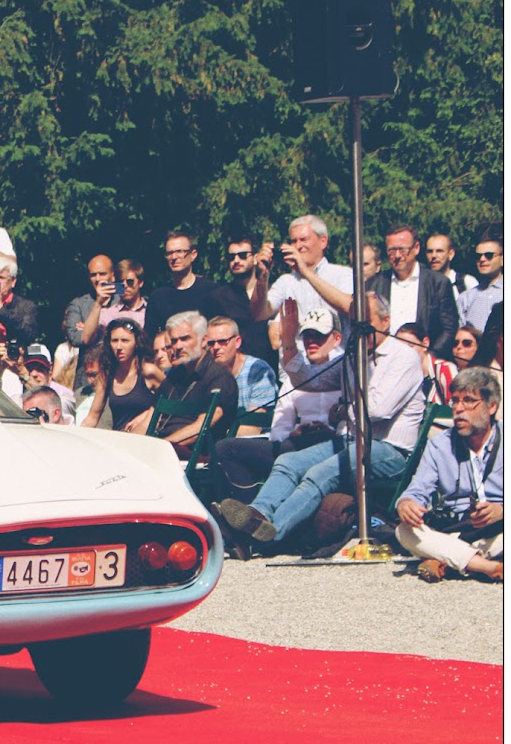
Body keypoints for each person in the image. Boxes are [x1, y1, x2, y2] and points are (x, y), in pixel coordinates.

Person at [215, 291, 425, 549]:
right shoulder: (354, 356)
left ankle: (268, 537)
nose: (359, 328)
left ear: (386, 321)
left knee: (321, 473)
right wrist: (289, 341)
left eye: (366, 321)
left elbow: (377, 411)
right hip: (350, 441)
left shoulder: (403, 356)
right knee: (288, 462)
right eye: (354, 322)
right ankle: (256, 516)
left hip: (390, 450)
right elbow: (306, 380)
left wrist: (343, 410)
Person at [214, 306, 345, 511]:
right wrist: (293, 433)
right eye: (307, 335)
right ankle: (248, 512)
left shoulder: (348, 372)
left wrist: (331, 431)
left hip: (333, 447)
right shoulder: (295, 375)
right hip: (296, 445)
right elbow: (280, 426)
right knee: (225, 448)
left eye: (319, 336)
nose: (312, 341)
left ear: (336, 339)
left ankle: (257, 512)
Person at [395, 367, 502, 582]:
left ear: (491, 407)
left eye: (469, 401)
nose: (458, 409)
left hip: (499, 528)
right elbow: (417, 490)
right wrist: (406, 504)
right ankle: (489, 567)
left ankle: (447, 560)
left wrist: (502, 510)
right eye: (455, 401)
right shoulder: (439, 445)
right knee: (404, 531)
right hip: (456, 527)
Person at [248, 214, 355, 332]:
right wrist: (262, 276)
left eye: (304, 240)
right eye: (293, 241)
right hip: (297, 345)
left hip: (336, 344)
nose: (298, 246)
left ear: (323, 241)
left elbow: (350, 307)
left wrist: (306, 273)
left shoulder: (342, 274)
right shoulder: (286, 281)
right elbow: (259, 314)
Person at [154, 311, 239, 458]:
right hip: (163, 449)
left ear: (204, 340)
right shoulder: (173, 377)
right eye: (174, 341)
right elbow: (150, 417)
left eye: (185, 338)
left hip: (195, 456)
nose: (178, 346)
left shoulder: (220, 378)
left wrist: (162, 446)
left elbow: (202, 426)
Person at [367, 225, 459, 359]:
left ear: (416, 248)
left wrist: (429, 358)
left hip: (425, 361)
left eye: (402, 250)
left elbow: (449, 328)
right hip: (383, 360)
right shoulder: (374, 284)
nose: (397, 256)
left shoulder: (438, 283)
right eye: (392, 250)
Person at [81, 318, 164, 434]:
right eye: (115, 341)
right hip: (119, 437)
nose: (119, 347)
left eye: (125, 341)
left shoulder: (148, 371)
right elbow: (93, 417)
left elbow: (172, 398)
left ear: (136, 343)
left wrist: (145, 415)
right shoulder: (107, 375)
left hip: (146, 439)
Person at [143, 232, 226, 340]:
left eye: (180, 252)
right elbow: (149, 338)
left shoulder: (212, 292)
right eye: (169, 253)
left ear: (193, 254)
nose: (174, 257)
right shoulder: (158, 297)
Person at [204, 316, 277, 429]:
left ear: (237, 342)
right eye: (211, 343)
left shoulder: (258, 372)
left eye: (222, 341)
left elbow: (254, 427)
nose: (216, 347)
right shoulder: (207, 373)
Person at [220, 234, 275, 363]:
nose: (236, 260)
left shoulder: (273, 292)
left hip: (271, 366)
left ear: (255, 258)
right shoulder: (219, 297)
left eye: (243, 255)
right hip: (237, 367)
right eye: (231, 257)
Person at [63, 254, 117, 379]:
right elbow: (76, 338)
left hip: (118, 374)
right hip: (87, 377)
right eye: (93, 275)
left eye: (102, 274)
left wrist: (90, 328)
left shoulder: (122, 302)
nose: (98, 279)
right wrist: (98, 303)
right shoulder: (78, 304)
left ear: (113, 276)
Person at [86, 258, 149, 344]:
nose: (125, 285)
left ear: (140, 283)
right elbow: (86, 339)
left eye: (130, 281)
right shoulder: (108, 313)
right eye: (120, 282)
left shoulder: (150, 311)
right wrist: (98, 303)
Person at [457, 231, 503, 334]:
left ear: (502, 259)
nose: (482, 259)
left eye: (489, 255)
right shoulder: (466, 298)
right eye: (478, 256)